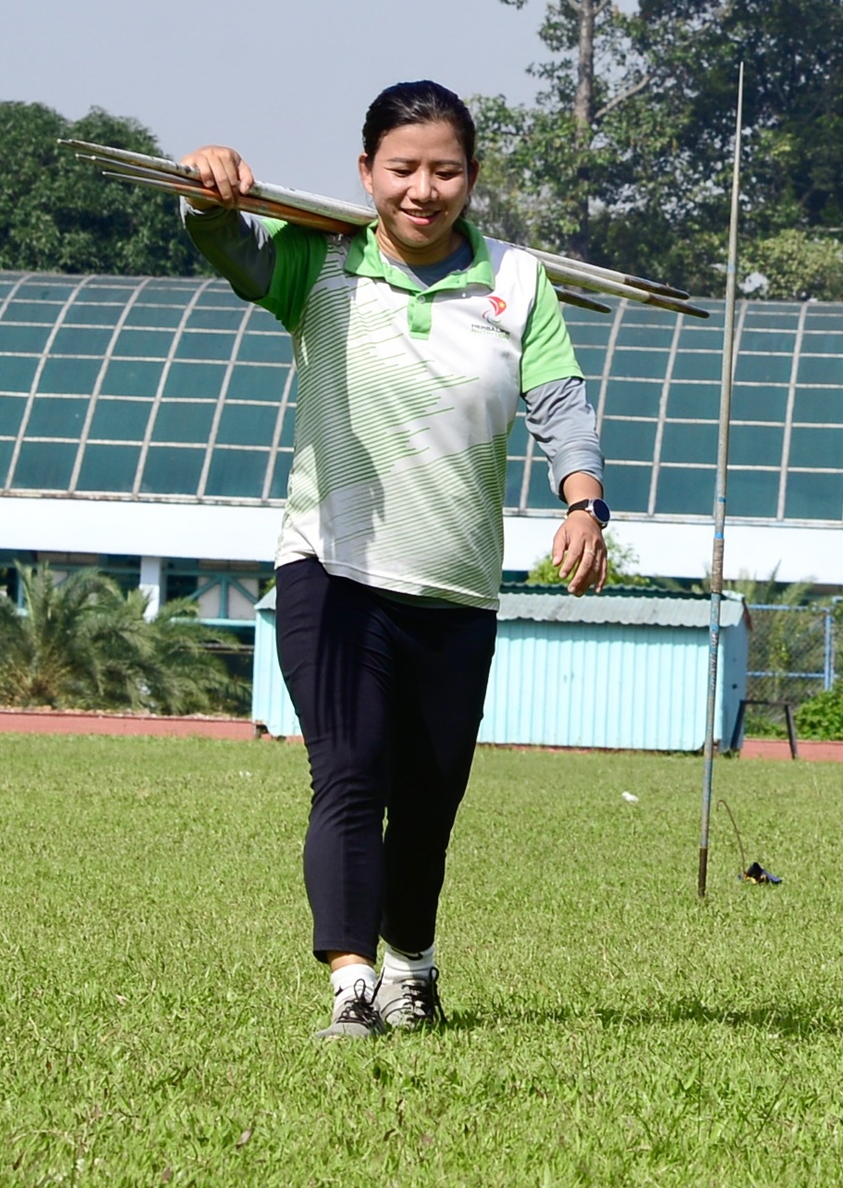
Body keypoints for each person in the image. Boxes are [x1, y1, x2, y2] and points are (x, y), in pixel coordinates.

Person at [180, 80, 611, 1040]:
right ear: (366, 171)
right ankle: (351, 984)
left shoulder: (518, 279)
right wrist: (205, 191)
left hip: (455, 582)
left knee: (428, 799)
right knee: (350, 772)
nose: (424, 190)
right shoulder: (321, 256)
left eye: (446, 170)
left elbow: (559, 402)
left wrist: (584, 501)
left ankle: (412, 959)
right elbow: (231, 252)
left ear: (472, 178)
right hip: (330, 565)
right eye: (403, 168)